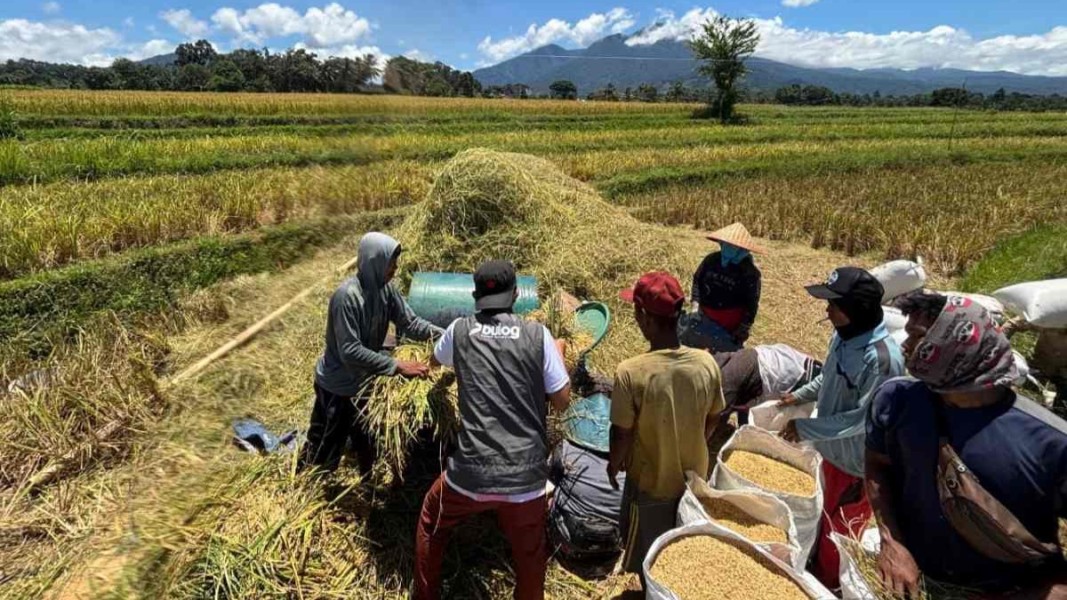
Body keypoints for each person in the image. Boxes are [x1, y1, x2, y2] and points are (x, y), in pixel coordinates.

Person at [867, 293, 1067, 598]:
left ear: (959, 346)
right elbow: (877, 466)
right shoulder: (895, 401)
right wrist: (892, 542)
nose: (905, 346)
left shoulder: (1050, 442)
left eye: (918, 337)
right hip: (916, 583)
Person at [414, 260, 571, 600]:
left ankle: (425, 595)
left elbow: (435, 361)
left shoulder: (458, 329)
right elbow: (562, 401)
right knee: (530, 556)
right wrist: (557, 355)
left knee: (430, 518)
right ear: (516, 294)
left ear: (474, 295)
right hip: (526, 480)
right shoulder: (538, 336)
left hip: (470, 474)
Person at [778, 266, 904, 590]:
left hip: (856, 466)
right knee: (822, 513)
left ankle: (828, 587)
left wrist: (807, 428)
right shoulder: (843, 335)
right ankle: (814, 566)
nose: (827, 309)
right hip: (830, 452)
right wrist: (800, 395)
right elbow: (829, 376)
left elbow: (864, 419)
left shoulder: (881, 360)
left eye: (834, 304)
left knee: (840, 532)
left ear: (856, 311)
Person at [609, 272, 725, 583]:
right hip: (693, 480)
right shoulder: (706, 363)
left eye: (635, 310)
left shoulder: (630, 372)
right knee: (680, 548)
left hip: (651, 482)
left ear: (644, 317)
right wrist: (694, 439)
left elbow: (622, 433)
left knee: (646, 556)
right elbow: (715, 415)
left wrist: (614, 464)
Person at [299, 232, 442, 475]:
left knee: (365, 438)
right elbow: (350, 352)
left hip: (364, 381)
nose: (394, 269)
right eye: (391, 264)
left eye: (395, 264)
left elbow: (411, 323)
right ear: (375, 261)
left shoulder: (387, 290)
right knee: (326, 444)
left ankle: (366, 481)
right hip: (338, 385)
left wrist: (448, 336)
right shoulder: (347, 297)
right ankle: (309, 487)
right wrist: (397, 365)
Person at [548, 391, 626, 579]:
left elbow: (548, 481)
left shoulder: (566, 452)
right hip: (612, 546)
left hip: (569, 543)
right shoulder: (629, 464)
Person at [681, 222, 763, 352]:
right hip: (704, 313)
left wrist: (743, 327)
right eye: (727, 245)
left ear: (742, 249)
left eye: (733, 246)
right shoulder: (711, 260)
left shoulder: (749, 272)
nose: (728, 248)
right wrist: (695, 305)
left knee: (723, 353)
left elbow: (752, 303)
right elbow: (698, 279)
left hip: (730, 321)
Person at [713, 343, 822, 426]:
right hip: (778, 362)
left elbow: (713, 420)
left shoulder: (725, 385)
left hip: (799, 376)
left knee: (783, 423)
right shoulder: (716, 362)